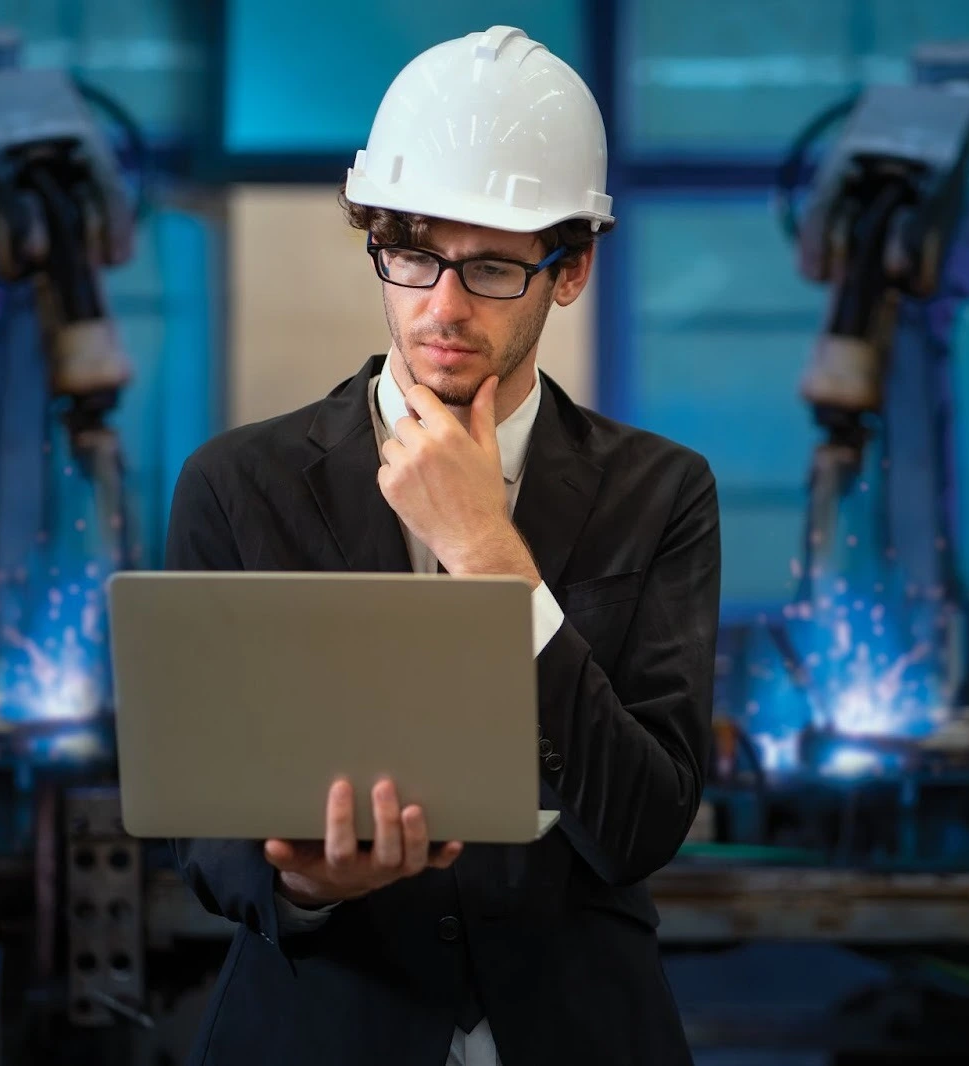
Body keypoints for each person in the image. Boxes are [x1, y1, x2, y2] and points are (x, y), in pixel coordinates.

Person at [163, 25, 720, 1066]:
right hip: (322, 1025)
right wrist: (300, 880)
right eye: (412, 254)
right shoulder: (236, 485)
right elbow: (197, 826)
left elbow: (642, 823)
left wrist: (488, 548)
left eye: (492, 268)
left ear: (572, 269)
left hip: (577, 1031)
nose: (442, 307)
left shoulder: (662, 492)